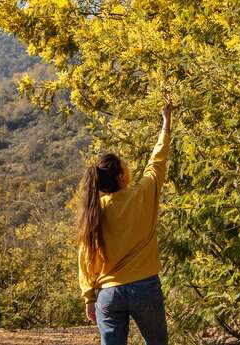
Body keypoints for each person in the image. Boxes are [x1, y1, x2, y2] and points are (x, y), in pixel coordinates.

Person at [76, 94, 173, 345]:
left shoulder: (94, 211)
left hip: (108, 294)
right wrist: (166, 122)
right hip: (145, 288)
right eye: (125, 167)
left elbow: (86, 256)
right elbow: (157, 162)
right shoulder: (143, 193)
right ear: (121, 177)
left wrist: (89, 297)